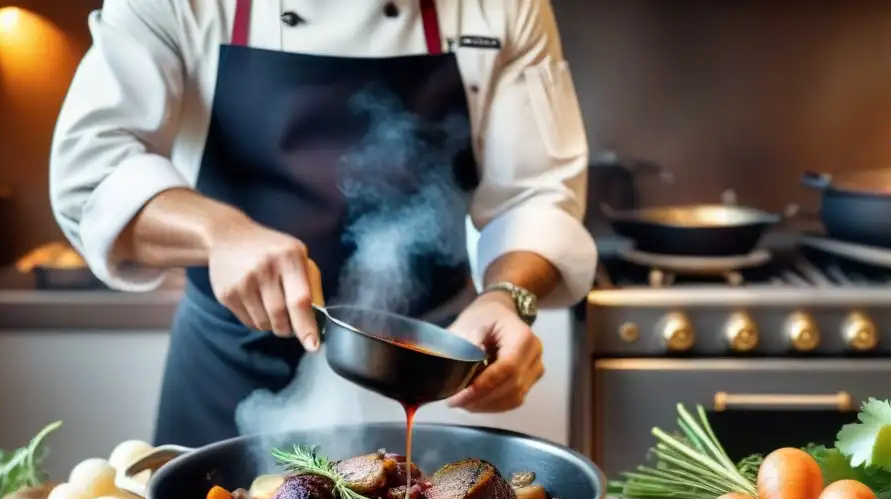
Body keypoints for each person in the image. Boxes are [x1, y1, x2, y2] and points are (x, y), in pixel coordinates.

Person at [49, 0, 596, 447]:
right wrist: (221, 232)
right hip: (230, 369)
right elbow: (90, 171)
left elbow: (539, 193)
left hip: (428, 374)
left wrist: (506, 296)